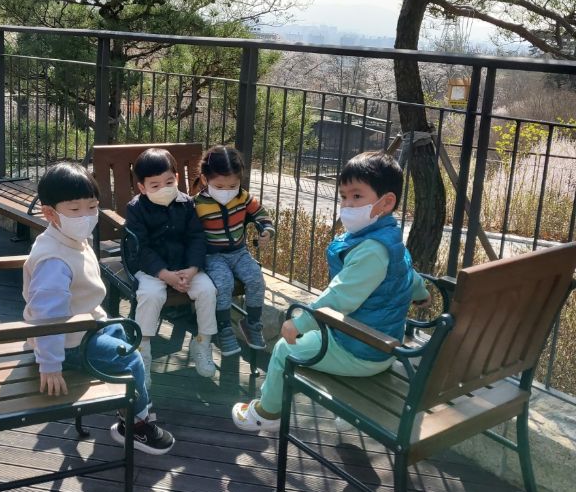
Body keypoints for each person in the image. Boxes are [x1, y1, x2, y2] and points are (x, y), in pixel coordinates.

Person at [231, 150, 430, 433]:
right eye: (343, 197)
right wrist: (421, 294)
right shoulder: (387, 238)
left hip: (361, 350)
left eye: (357, 196)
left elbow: (339, 297)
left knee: (285, 350)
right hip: (382, 342)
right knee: (312, 339)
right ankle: (350, 412)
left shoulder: (372, 250)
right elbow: (406, 273)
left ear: (386, 202)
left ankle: (267, 413)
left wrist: (300, 322)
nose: (347, 205)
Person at [23, 160, 175, 455]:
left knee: (122, 335)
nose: (86, 216)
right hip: (67, 344)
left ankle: (132, 403)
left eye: (92, 207)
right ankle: (136, 424)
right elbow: (47, 316)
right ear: (50, 213)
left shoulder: (67, 238)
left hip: (84, 326)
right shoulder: (54, 260)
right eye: (75, 209)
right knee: (131, 360)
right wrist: (50, 364)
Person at [125, 147, 218, 385]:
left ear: (176, 178)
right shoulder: (136, 209)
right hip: (150, 268)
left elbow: (196, 237)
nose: (164, 189)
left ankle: (202, 343)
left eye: (169, 182)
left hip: (185, 267)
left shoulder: (187, 204)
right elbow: (141, 248)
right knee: (150, 295)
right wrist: (164, 274)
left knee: (208, 291)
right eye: (155, 185)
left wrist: (193, 268)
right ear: (142, 187)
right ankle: (142, 352)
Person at [194, 145, 274, 356]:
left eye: (232, 185)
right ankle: (224, 328)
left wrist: (266, 230)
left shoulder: (243, 197)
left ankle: (252, 323)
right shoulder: (197, 204)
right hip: (213, 256)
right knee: (224, 284)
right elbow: (190, 234)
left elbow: (261, 214)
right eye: (219, 186)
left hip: (239, 253)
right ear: (205, 179)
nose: (226, 192)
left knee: (256, 279)